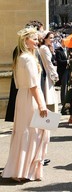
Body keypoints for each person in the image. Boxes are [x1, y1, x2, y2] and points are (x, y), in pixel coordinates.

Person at [1, 27, 49, 182]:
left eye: (37, 39)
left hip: (24, 96)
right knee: (34, 132)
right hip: (30, 98)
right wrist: (42, 105)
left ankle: (22, 170)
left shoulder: (22, 57)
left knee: (27, 132)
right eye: (34, 39)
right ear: (25, 40)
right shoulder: (27, 59)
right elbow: (33, 85)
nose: (37, 41)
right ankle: (23, 171)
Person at [39, 31, 59, 111]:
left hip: (46, 72)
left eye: (53, 37)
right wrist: (55, 74)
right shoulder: (44, 48)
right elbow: (48, 63)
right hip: (46, 73)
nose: (52, 39)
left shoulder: (45, 47)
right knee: (48, 97)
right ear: (45, 38)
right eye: (50, 38)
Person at [55, 38, 69, 105]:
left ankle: (67, 99)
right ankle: (63, 101)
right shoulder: (58, 51)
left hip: (68, 70)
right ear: (61, 42)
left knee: (68, 85)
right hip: (62, 70)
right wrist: (67, 61)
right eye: (64, 42)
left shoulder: (68, 50)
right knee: (63, 85)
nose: (65, 43)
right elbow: (59, 61)